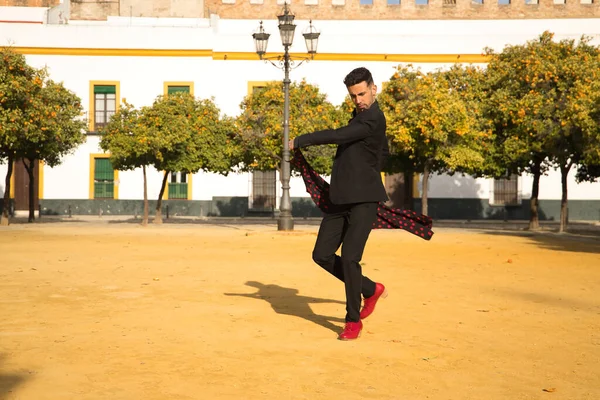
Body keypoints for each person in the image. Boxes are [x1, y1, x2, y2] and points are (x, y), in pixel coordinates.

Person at [289, 67, 390, 341]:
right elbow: (383, 152)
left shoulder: (372, 119)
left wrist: (300, 140)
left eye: (362, 93)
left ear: (374, 89)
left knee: (349, 258)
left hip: (363, 202)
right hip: (340, 199)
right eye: (353, 95)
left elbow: (338, 135)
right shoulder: (359, 116)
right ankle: (370, 289)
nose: (358, 100)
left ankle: (352, 321)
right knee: (321, 254)